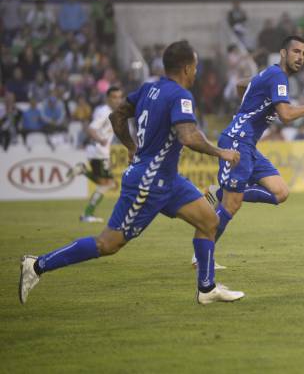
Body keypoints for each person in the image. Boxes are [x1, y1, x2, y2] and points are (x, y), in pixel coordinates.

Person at [19, 40, 244, 305]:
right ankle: (37, 265)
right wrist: (221, 152)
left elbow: (117, 116)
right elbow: (188, 136)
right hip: (148, 183)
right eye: (195, 67)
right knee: (108, 243)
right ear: (186, 68)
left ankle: (207, 289)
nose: (196, 72)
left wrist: (130, 146)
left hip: (168, 180)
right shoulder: (181, 96)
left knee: (209, 222)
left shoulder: (149, 89)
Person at [197, 36, 304, 271]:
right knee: (232, 204)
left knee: (280, 192)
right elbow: (286, 115)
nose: (300, 57)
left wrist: (249, 105)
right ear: (283, 53)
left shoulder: (268, 75)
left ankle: (217, 192)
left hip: (248, 144)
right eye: (296, 52)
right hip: (237, 141)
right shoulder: (278, 76)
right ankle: (201, 259)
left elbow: (243, 84)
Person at [66, 87, 123, 223]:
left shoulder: (112, 112)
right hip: (98, 151)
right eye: (114, 97)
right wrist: (100, 140)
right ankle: (87, 214)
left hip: (99, 152)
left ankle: (83, 171)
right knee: (108, 184)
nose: (117, 100)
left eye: (119, 97)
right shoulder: (104, 112)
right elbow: (91, 129)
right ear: (107, 98)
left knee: (106, 183)